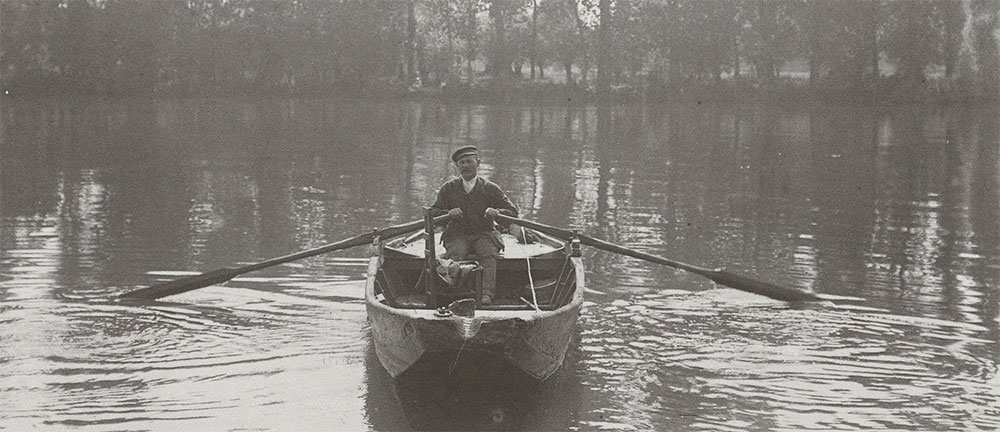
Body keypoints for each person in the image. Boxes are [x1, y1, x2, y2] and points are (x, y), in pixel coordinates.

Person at [430, 146, 517, 305]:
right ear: (457, 166)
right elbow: (433, 213)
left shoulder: (491, 188)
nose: (465, 166)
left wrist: (497, 213)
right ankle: (455, 296)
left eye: (469, 162)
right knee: (455, 255)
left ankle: (487, 295)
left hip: (484, 233)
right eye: (461, 163)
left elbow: (512, 212)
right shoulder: (448, 188)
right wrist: (448, 213)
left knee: (489, 254)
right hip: (457, 234)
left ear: (478, 163)